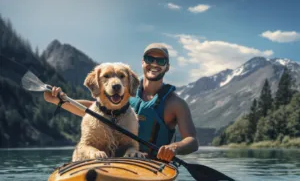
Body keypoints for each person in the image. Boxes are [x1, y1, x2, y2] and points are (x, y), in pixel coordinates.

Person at [44, 43, 199, 162]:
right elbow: (93, 109)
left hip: (153, 166)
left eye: (161, 60)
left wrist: (174, 148)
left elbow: (192, 141)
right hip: (119, 162)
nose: (154, 63)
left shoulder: (175, 103)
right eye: (149, 59)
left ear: (167, 66)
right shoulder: (125, 90)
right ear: (143, 63)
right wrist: (60, 101)